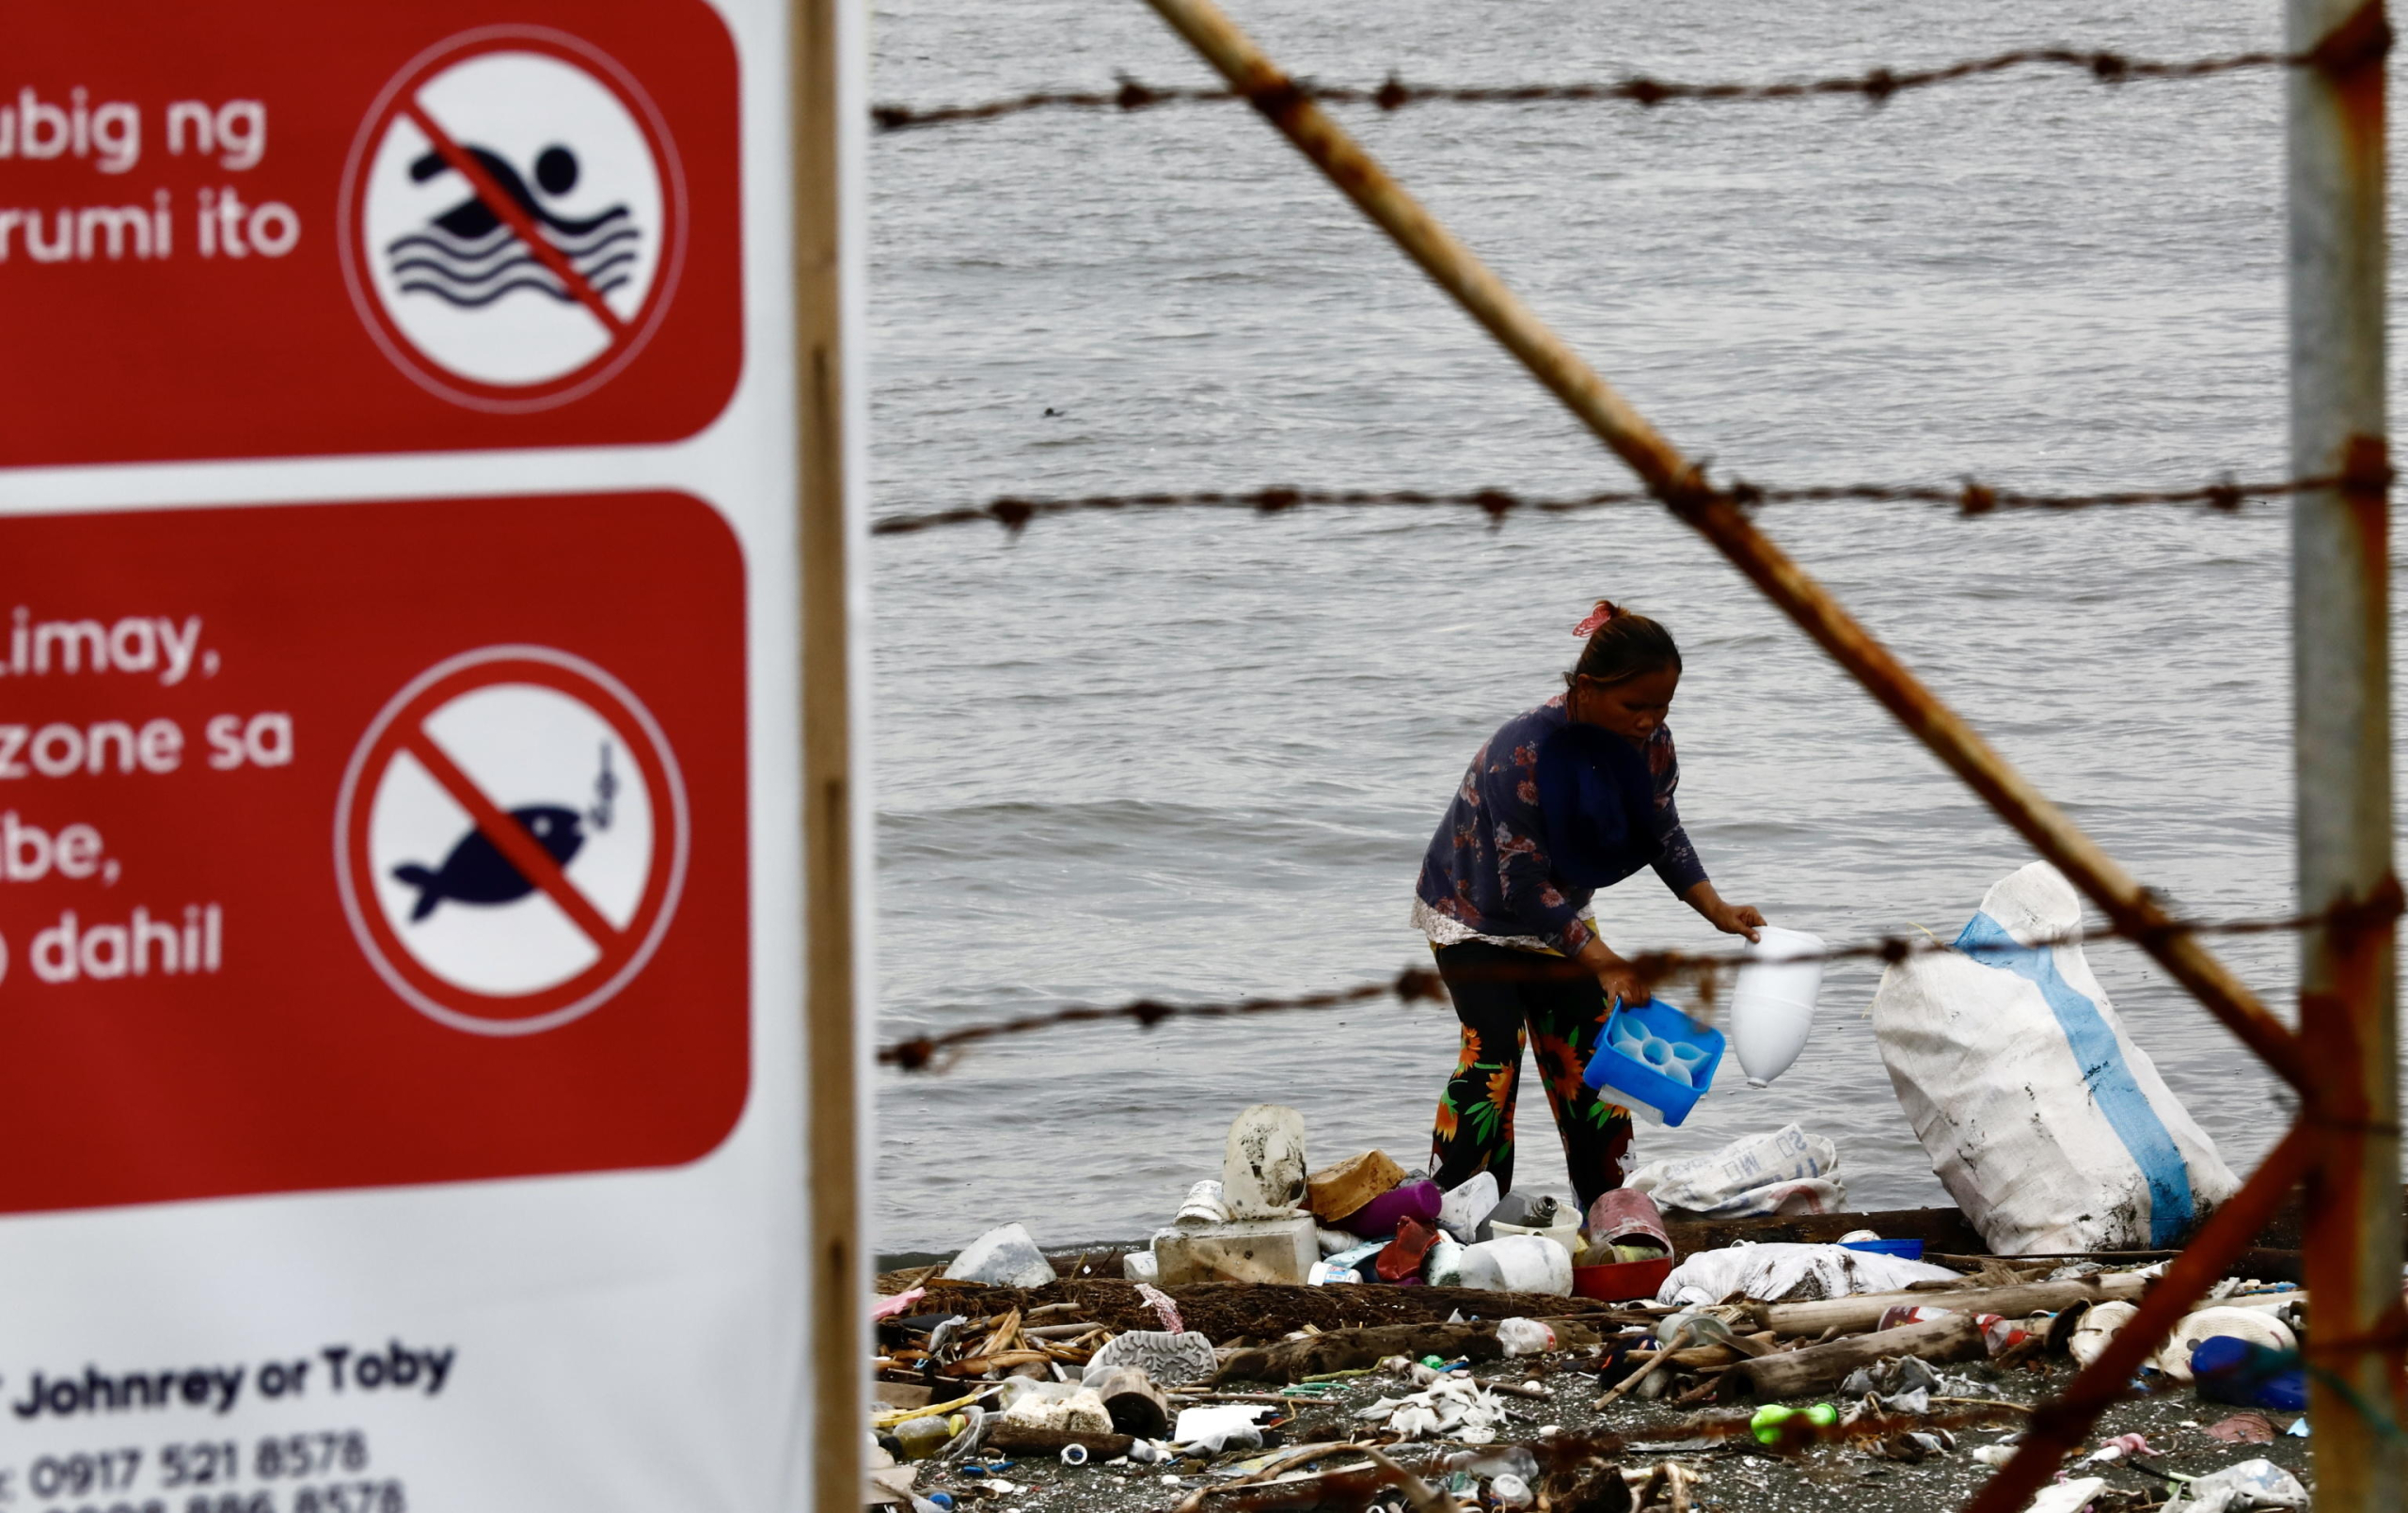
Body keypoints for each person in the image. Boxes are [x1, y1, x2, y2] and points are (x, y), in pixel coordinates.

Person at [1414, 599, 1766, 1212]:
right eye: (1635, 706)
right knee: (1493, 1056)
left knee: (1588, 1062)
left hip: (1561, 921)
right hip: (1472, 913)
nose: (1648, 721)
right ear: (1584, 689)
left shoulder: (1650, 748)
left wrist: (1716, 908)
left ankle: (1609, 1210)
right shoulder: (1522, 754)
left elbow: (1661, 831)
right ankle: (1456, 1211)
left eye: (1661, 708)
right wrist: (1602, 959)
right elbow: (1523, 887)